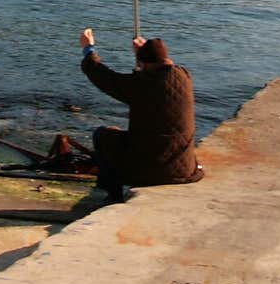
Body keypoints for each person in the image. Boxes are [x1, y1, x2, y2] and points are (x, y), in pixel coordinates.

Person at [79, 27, 204, 204]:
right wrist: (142, 56)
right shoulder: (183, 76)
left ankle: (112, 194)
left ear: (145, 65)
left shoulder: (142, 84)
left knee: (103, 135)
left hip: (152, 169)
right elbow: (158, 68)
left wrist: (88, 49)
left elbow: (103, 77)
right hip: (184, 168)